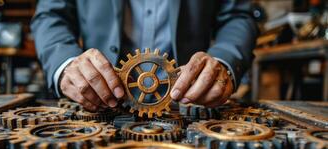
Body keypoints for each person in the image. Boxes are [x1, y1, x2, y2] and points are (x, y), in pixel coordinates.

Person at [31, 0, 258, 111]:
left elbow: (238, 16)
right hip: (100, 104)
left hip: (191, 104)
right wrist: (66, 64)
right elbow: (50, 16)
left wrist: (224, 61)